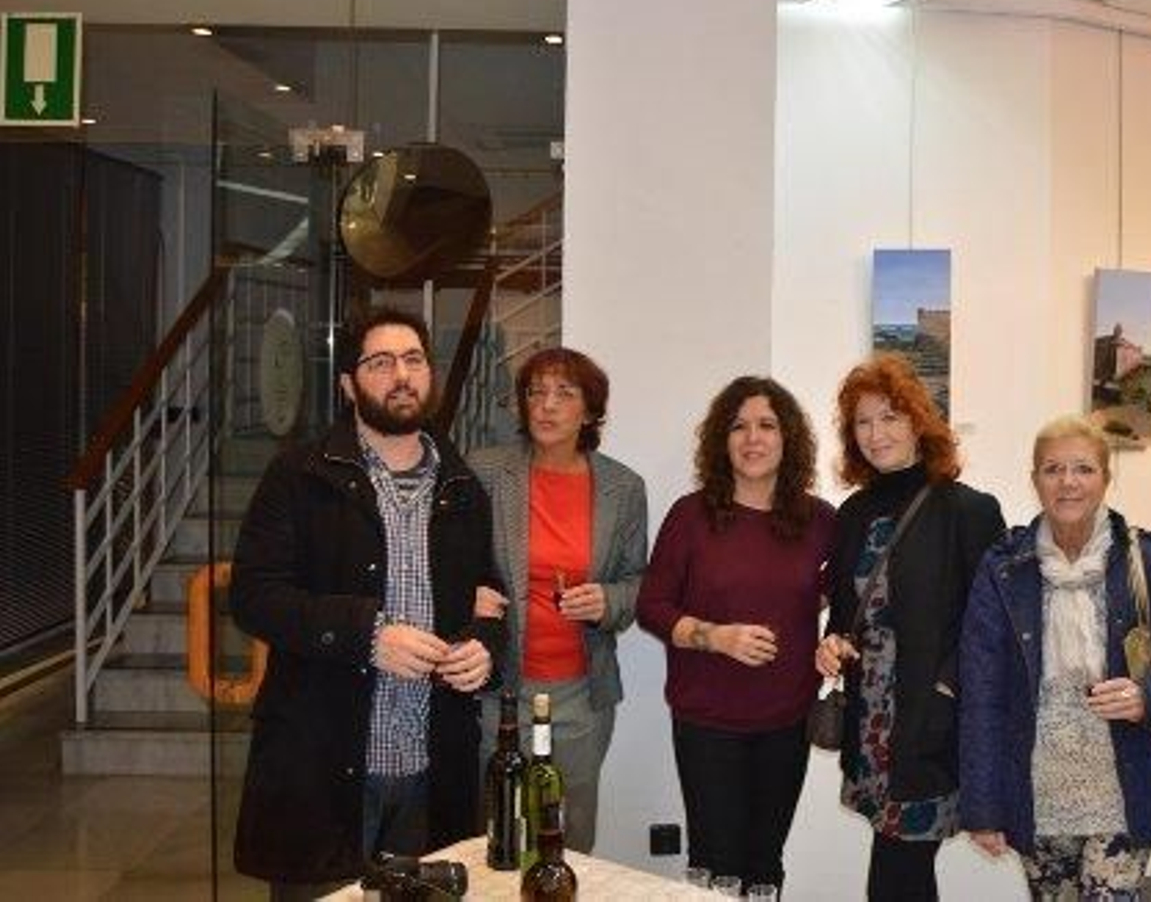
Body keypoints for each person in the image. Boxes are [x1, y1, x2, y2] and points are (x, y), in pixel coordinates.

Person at [231, 307, 506, 899]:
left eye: (412, 360)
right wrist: (367, 634)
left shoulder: (463, 489)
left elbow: (490, 602)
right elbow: (253, 597)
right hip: (322, 767)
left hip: (432, 773)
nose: (400, 375)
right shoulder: (298, 476)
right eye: (380, 363)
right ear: (349, 385)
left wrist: (485, 651)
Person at [959, 416, 1151, 900]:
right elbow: (981, 693)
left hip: (1122, 785)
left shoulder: (1142, 559)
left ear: (1105, 479)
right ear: (1035, 481)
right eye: (1053, 469)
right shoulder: (1003, 568)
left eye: (1083, 469)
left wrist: (1147, 694)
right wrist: (983, 806)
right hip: (1037, 790)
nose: (1068, 482)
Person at [815, 354, 1006, 901]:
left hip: (928, 724)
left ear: (920, 421)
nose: (876, 434)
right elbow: (844, 611)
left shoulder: (968, 510)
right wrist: (832, 642)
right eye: (863, 421)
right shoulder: (853, 513)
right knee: (900, 866)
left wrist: (947, 693)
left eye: (890, 417)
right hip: (870, 722)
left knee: (900, 870)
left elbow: (989, 627)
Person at [638, 376, 836, 891]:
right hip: (707, 722)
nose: (753, 438)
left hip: (786, 721)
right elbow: (652, 607)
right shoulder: (691, 515)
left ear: (787, 438)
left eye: (767, 425)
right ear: (720, 441)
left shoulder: (819, 520)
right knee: (715, 863)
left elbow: (848, 599)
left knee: (766, 863)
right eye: (739, 426)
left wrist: (830, 631)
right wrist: (715, 637)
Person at [468, 346, 648, 854]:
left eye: (564, 394)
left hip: (581, 695)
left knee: (568, 834)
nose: (547, 405)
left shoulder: (623, 487)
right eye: (536, 392)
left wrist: (607, 600)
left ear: (590, 411)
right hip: (499, 690)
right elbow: (451, 559)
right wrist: (468, 595)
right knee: (497, 834)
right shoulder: (485, 472)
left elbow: (639, 581)